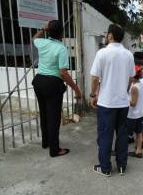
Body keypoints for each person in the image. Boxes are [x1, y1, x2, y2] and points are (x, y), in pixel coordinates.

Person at [90, 24, 135, 177]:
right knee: (122, 134)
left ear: (110, 36)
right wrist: (125, 90)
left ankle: (105, 168)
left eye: (107, 33)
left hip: (106, 103)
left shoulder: (102, 53)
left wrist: (93, 94)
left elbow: (95, 77)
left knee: (105, 135)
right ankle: (122, 166)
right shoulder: (128, 55)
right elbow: (131, 78)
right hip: (123, 102)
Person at [32, 20, 81, 157]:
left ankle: (46, 142)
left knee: (44, 114)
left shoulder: (42, 42)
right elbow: (63, 73)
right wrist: (76, 89)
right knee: (53, 118)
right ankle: (54, 150)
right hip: (52, 85)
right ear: (62, 33)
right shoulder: (61, 48)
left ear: (48, 31)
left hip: (39, 82)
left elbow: (35, 38)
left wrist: (43, 28)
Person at [127, 66, 143, 159]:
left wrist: (124, 100)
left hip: (133, 115)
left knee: (125, 133)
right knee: (139, 132)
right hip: (140, 113)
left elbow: (133, 103)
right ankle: (139, 151)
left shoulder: (134, 87)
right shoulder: (140, 83)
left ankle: (122, 151)